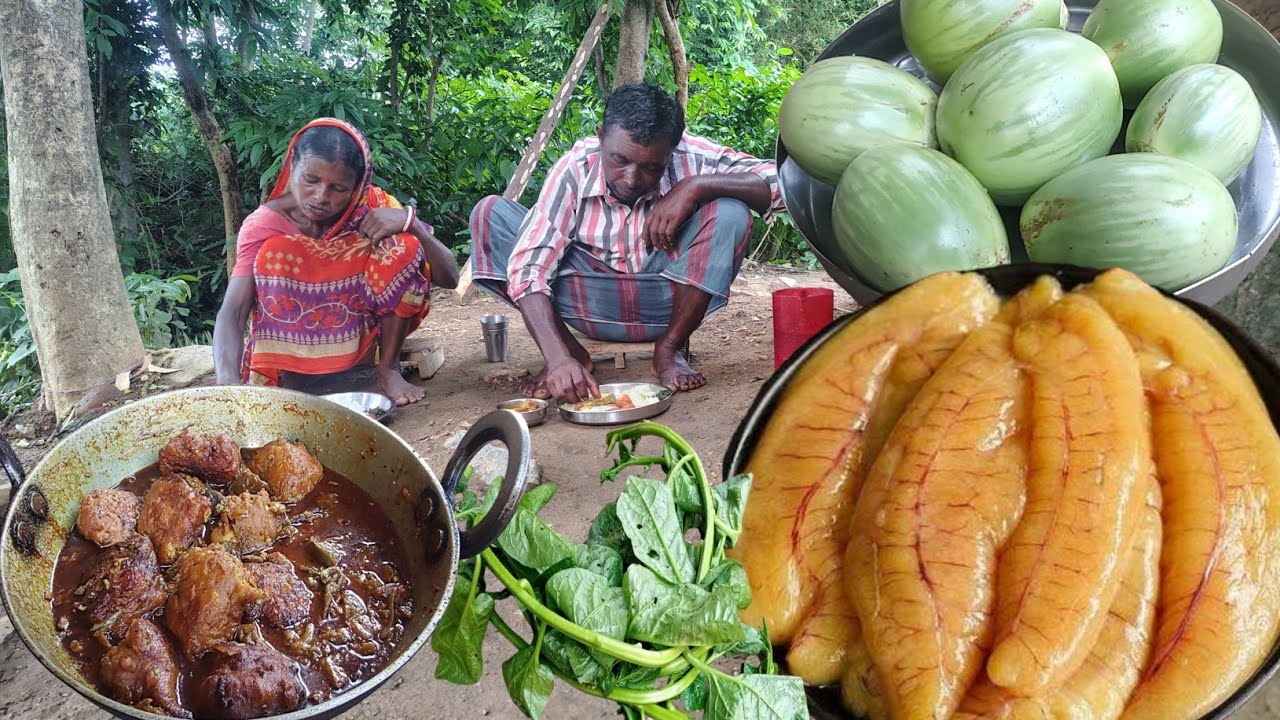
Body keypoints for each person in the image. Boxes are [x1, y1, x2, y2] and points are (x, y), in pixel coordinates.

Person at [468, 83, 784, 404]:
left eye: (652, 167)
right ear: (601, 136)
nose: (632, 179)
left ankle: (670, 349)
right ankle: (570, 355)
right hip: (587, 302)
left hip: (664, 302)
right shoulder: (574, 168)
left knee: (731, 212)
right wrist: (556, 357)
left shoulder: (693, 159)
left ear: (671, 152)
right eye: (619, 159)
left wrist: (696, 186)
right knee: (490, 214)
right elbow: (528, 269)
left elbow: (784, 183)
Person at [213, 118, 459, 405]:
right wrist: (227, 386)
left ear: (357, 186)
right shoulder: (264, 225)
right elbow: (232, 311)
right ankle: (294, 377)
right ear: (292, 167)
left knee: (401, 245)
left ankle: (388, 369)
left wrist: (410, 221)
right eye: (311, 180)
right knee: (274, 253)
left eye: (339, 188)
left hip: (363, 339)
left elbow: (450, 278)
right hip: (292, 354)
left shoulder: (373, 206)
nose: (321, 197)